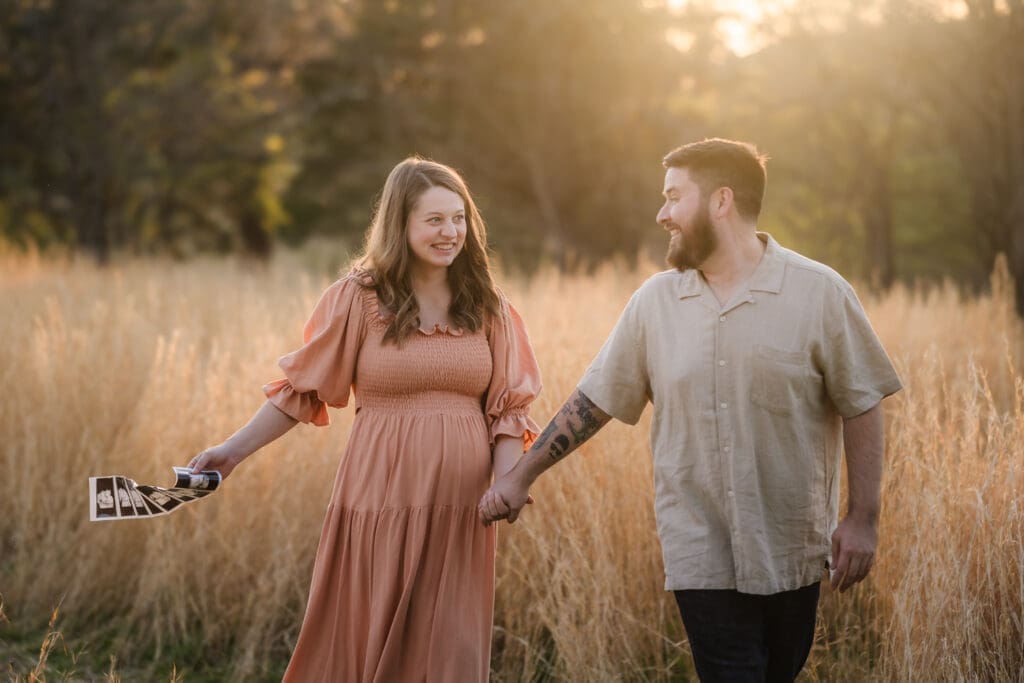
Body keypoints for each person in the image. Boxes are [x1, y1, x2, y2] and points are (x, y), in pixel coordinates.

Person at [478, 138, 902, 682]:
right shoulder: (655, 303)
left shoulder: (820, 293)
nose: (662, 214)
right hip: (699, 548)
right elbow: (594, 401)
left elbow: (861, 400)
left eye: (675, 197)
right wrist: (520, 476)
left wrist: (863, 518)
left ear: (721, 201)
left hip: (790, 545)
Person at [189, 157, 541, 682]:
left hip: (460, 510)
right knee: (366, 637)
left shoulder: (488, 305)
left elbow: (508, 411)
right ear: (401, 224)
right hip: (380, 498)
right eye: (434, 220)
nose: (450, 233)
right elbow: (302, 391)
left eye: (459, 218)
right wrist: (232, 451)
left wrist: (508, 483)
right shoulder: (359, 298)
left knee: (450, 649)